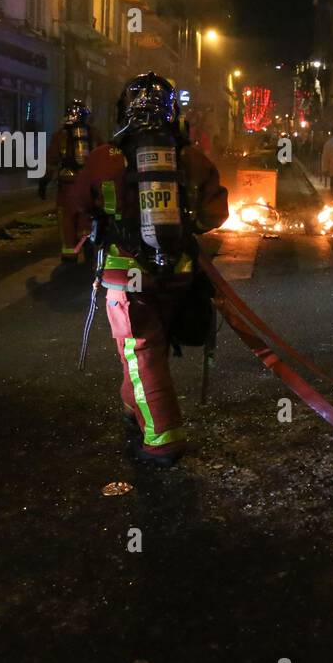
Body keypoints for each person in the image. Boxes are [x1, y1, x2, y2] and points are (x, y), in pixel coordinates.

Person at [67, 72, 230, 468]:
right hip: (179, 276)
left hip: (126, 278)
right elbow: (215, 213)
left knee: (141, 350)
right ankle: (132, 406)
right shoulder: (191, 157)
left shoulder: (105, 157)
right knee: (142, 353)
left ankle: (163, 439)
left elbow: (76, 203)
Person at [41, 100, 99, 263]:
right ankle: (87, 243)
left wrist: (44, 181)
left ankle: (69, 253)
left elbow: (52, 160)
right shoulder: (93, 134)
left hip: (67, 184)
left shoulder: (60, 135)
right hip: (88, 183)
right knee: (87, 214)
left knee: (66, 217)